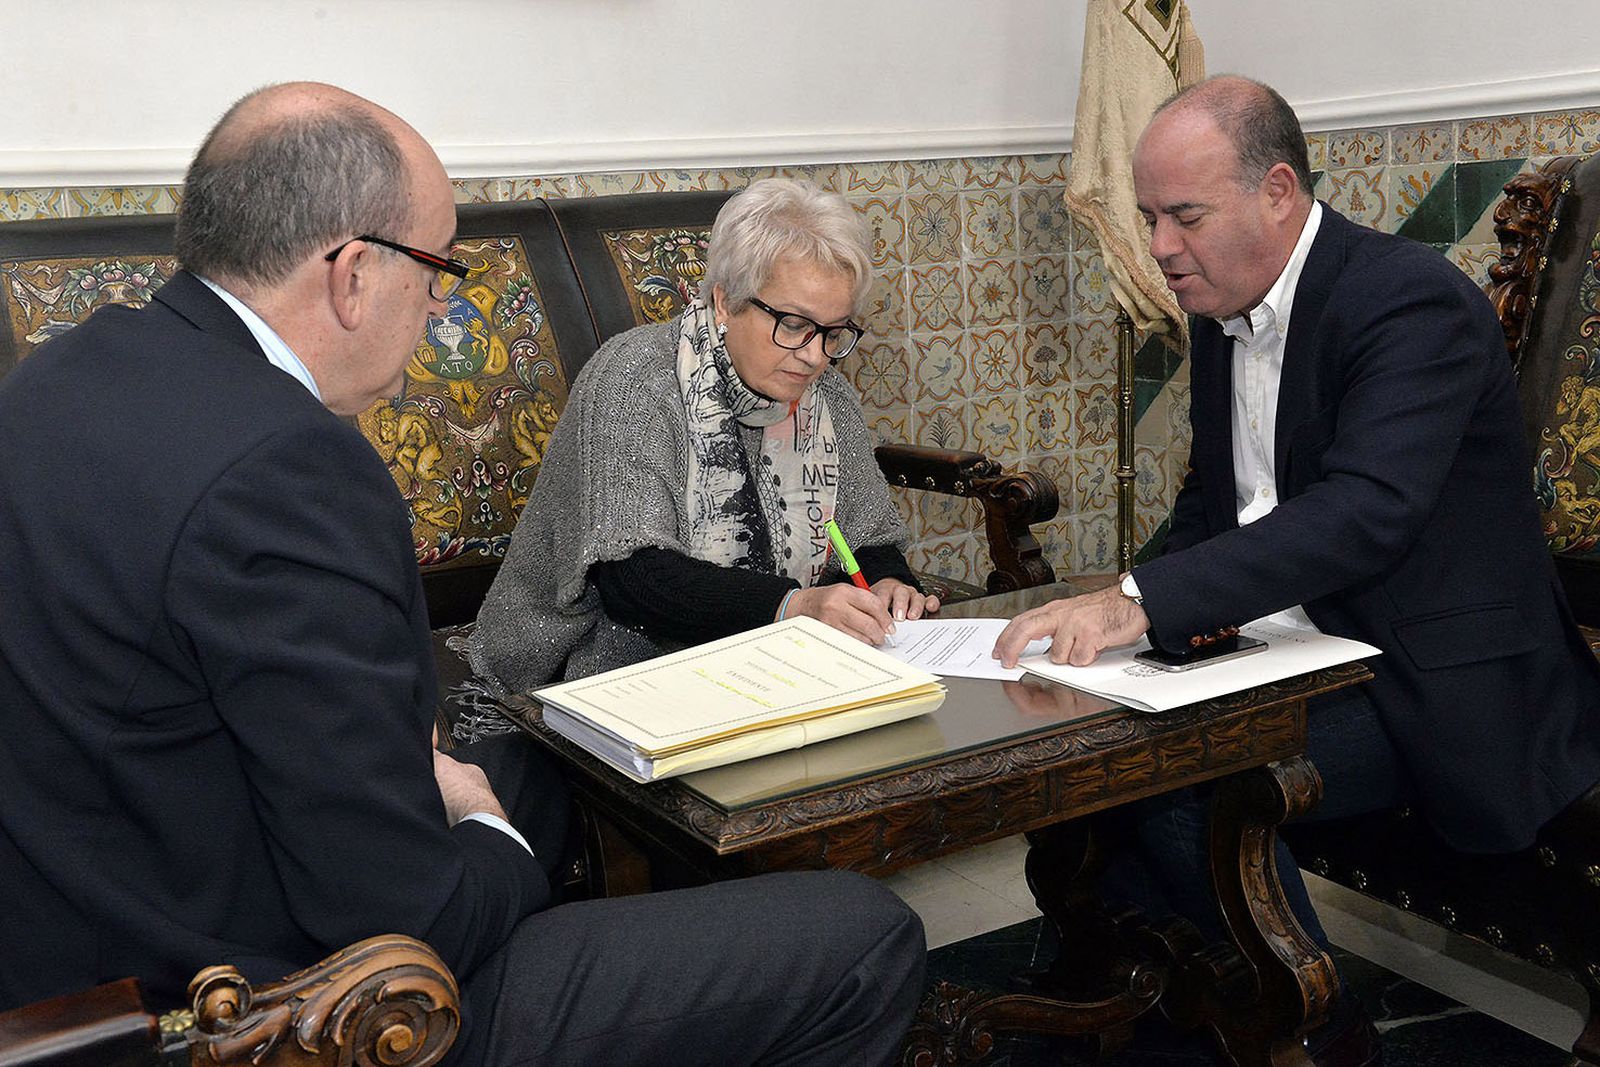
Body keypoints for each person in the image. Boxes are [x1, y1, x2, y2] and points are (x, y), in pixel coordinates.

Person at [0, 83, 926, 1067]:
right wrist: (484, 826)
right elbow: (411, 915)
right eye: (440, 267)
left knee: (534, 776)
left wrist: (424, 760)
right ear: (354, 274)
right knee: (863, 936)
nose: (443, 304)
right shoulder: (289, 467)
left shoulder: (61, 372)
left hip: (77, 920)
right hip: (268, 1007)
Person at [994, 74, 1600, 1061]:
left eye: (1185, 216)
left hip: (1434, 676)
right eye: (1149, 219)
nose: (1159, 247)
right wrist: (1125, 612)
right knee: (1091, 745)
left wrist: (1141, 600)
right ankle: (1160, 1005)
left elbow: (1364, 513)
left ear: (1277, 191)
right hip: (1300, 643)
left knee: (1185, 781)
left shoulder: (1409, 302)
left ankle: (1322, 1040)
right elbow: (1213, 503)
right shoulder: (1220, 302)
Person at [471, 177, 936, 692]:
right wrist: (791, 606)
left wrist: (889, 583)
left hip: (770, 660)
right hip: (604, 660)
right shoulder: (634, 379)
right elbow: (633, 578)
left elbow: (866, 539)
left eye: (834, 331)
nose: (814, 355)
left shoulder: (828, 397)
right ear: (725, 302)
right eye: (793, 324)